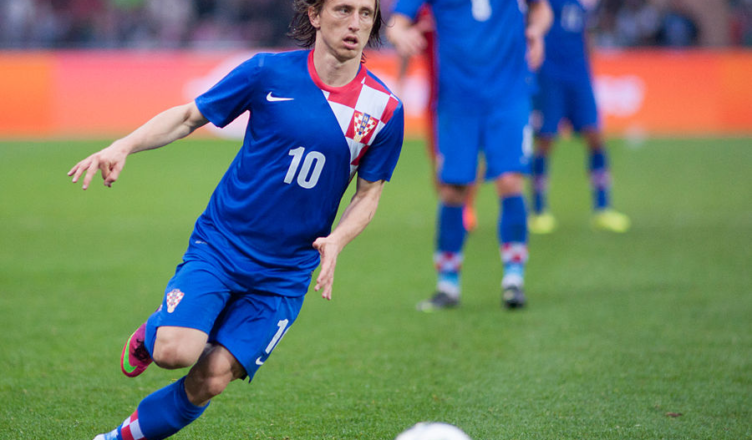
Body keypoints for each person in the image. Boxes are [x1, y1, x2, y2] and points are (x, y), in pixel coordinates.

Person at [69, 0, 404, 438]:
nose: (355, 23)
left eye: (365, 13)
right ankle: (153, 331)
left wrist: (338, 239)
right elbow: (189, 117)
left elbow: (368, 193)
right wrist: (123, 145)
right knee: (174, 352)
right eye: (343, 10)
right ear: (315, 15)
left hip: (286, 270)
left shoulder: (384, 109)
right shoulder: (267, 72)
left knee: (210, 379)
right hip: (223, 243)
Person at [387, 0, 553, 311]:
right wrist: (401, 35)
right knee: (452, 189)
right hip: (457, 100)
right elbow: (396, 21)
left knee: (510, 180)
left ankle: (514, 278)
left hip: (509, 95)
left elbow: (542, 8)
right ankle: (447, 285)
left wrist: (536, 30)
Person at [529, 0, 630, 235]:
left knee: (595, 135)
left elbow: (586, 33)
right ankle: (538, 210)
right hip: (550, 75)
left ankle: (603, 207)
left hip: (579, 74)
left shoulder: (584, 4)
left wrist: (589, 67)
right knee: (545, 139)